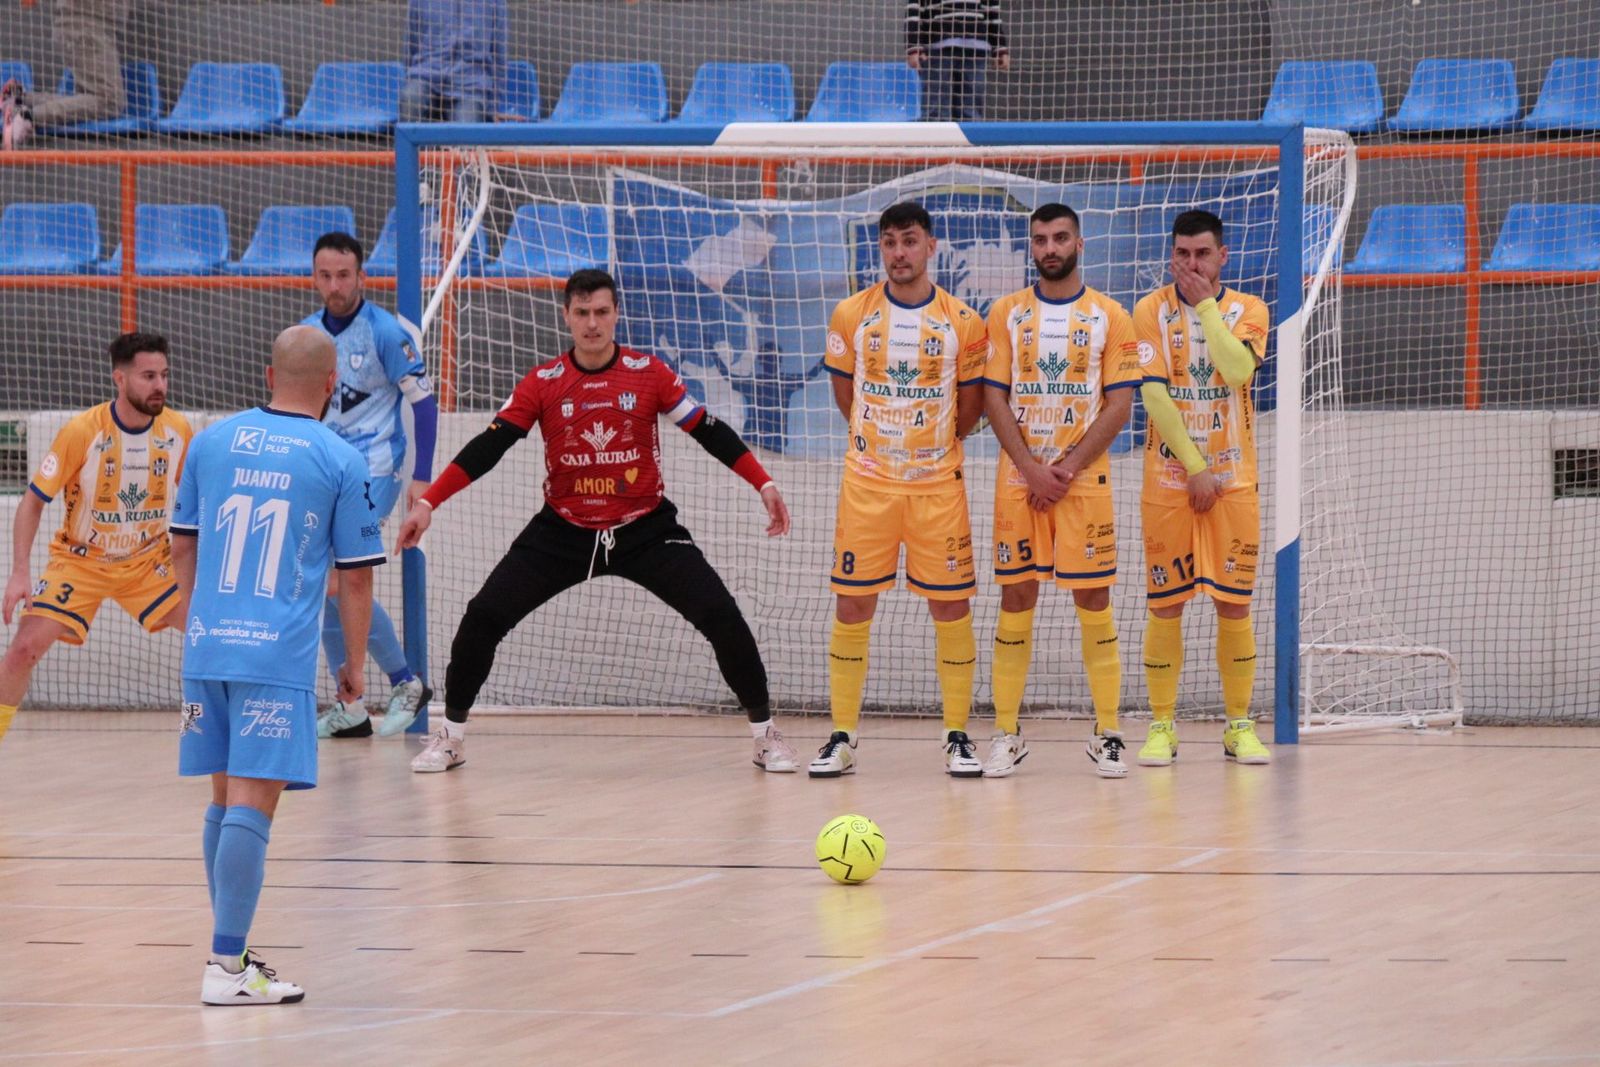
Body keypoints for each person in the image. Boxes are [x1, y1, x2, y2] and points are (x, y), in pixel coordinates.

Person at [395, 268, 794, 774]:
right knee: (483, 617)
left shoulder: (648, 373)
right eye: (581, 313)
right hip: (562, 530)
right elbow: (488, 447)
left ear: (615, 314)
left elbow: (708, 430)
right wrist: (429, 503)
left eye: (601, 312)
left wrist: (764, 483)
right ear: (566, 315)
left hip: (646, 528)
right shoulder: (543, 382)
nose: (591, 323)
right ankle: (451, 738)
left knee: (722, 616)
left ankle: (765, 736)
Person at [173, 325, 383, 1005]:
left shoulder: (209, 442)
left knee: (222, 799)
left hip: (208, 647)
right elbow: (356, 578)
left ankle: (230, 954)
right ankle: (226, 967)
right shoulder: (340, 458)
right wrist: (353, 665)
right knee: (252, 805)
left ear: (268, 375)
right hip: (275, 654)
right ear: (332, 384)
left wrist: (197, 622)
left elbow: (181, 545)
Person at [810, 200, 989, 780]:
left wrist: (929, 448)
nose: (899, 252)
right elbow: (846, 395)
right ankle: (842, 736)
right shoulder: (851, 314)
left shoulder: (963, 320)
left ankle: (957, 736)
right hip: (868, 487)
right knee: (852, 604)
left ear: (931, 246)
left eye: (910, 241)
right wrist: (881, 445)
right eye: (889, 242)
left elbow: (970, 408)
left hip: (938, 488)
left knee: (951, 606)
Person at [980, 203, 1141, 778]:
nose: (1050, 248)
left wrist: (1065, 469)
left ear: (1079, 243)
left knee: (1093, 601)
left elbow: (1119, 405)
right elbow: (993, 396)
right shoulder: (1006, 313)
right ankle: (1006, 733)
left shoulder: (1110, 316)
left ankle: (1108, 733)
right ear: (1032, 246)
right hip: (1018, 483)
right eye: (1041, 239)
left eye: (1061, 238)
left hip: (1083, 484)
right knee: (1016, 599)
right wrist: (1030, 468)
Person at [0, 332, 191, 745]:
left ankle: (206, 735)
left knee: (210, 636)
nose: (159, 385)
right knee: (23, 650)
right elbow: (32, 503)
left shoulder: (177, 430)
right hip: (81, 561)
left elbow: (199, 503)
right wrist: (19, 572)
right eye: (148, 376)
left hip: (149, 562)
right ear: (119, 379)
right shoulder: (82, 431)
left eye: (164, 375)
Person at [1134, 209, 1273, 767]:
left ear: (1222, 257)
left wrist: (1208, 307)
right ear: (1172, 255)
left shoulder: (1250, 309)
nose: (1191, 264)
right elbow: (1154, 397)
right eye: (1182, 254)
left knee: (1233, 605)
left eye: (1202, 254)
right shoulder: (1149, 310)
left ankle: (1238, 725)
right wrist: (1194, 467)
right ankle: (1161, 726)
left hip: (1234, 482)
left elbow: (1237, 371)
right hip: (1170, 483)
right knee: (1165, 605)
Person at [302, 232, 438, 739]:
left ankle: (405, 682)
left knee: (341, 582)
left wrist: (422, 477)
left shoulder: (385, 332)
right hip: (324, 473)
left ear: (361, 277)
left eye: (344, 275)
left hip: (374, 470)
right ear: (314, 278)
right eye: (325, 276)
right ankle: (352, 706)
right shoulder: (306, 335)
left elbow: (424, 405)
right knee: (325, 587)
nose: (335, 285)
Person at [0, 0, 134, 149]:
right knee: (109, 100)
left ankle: (19, 99)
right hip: (87, 27)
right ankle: (29, 116)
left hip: (85, 26)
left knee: (87, 99)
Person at [400, 0, 507, 124]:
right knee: (410, 97)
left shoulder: (495, 3)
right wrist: (413, 80)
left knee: (467, 125)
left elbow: (499, 54)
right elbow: (410, 45)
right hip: (426, 76)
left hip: (470, 87)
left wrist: (493, 107)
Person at [904, 0, 1010, 122]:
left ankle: (970, 132)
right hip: (938, 42)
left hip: (976, 43)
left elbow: (992, 10)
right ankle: (935, 132)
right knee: (935, 105)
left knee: (971, 105)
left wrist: (999, 47)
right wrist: (913, 46)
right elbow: (914, 8)